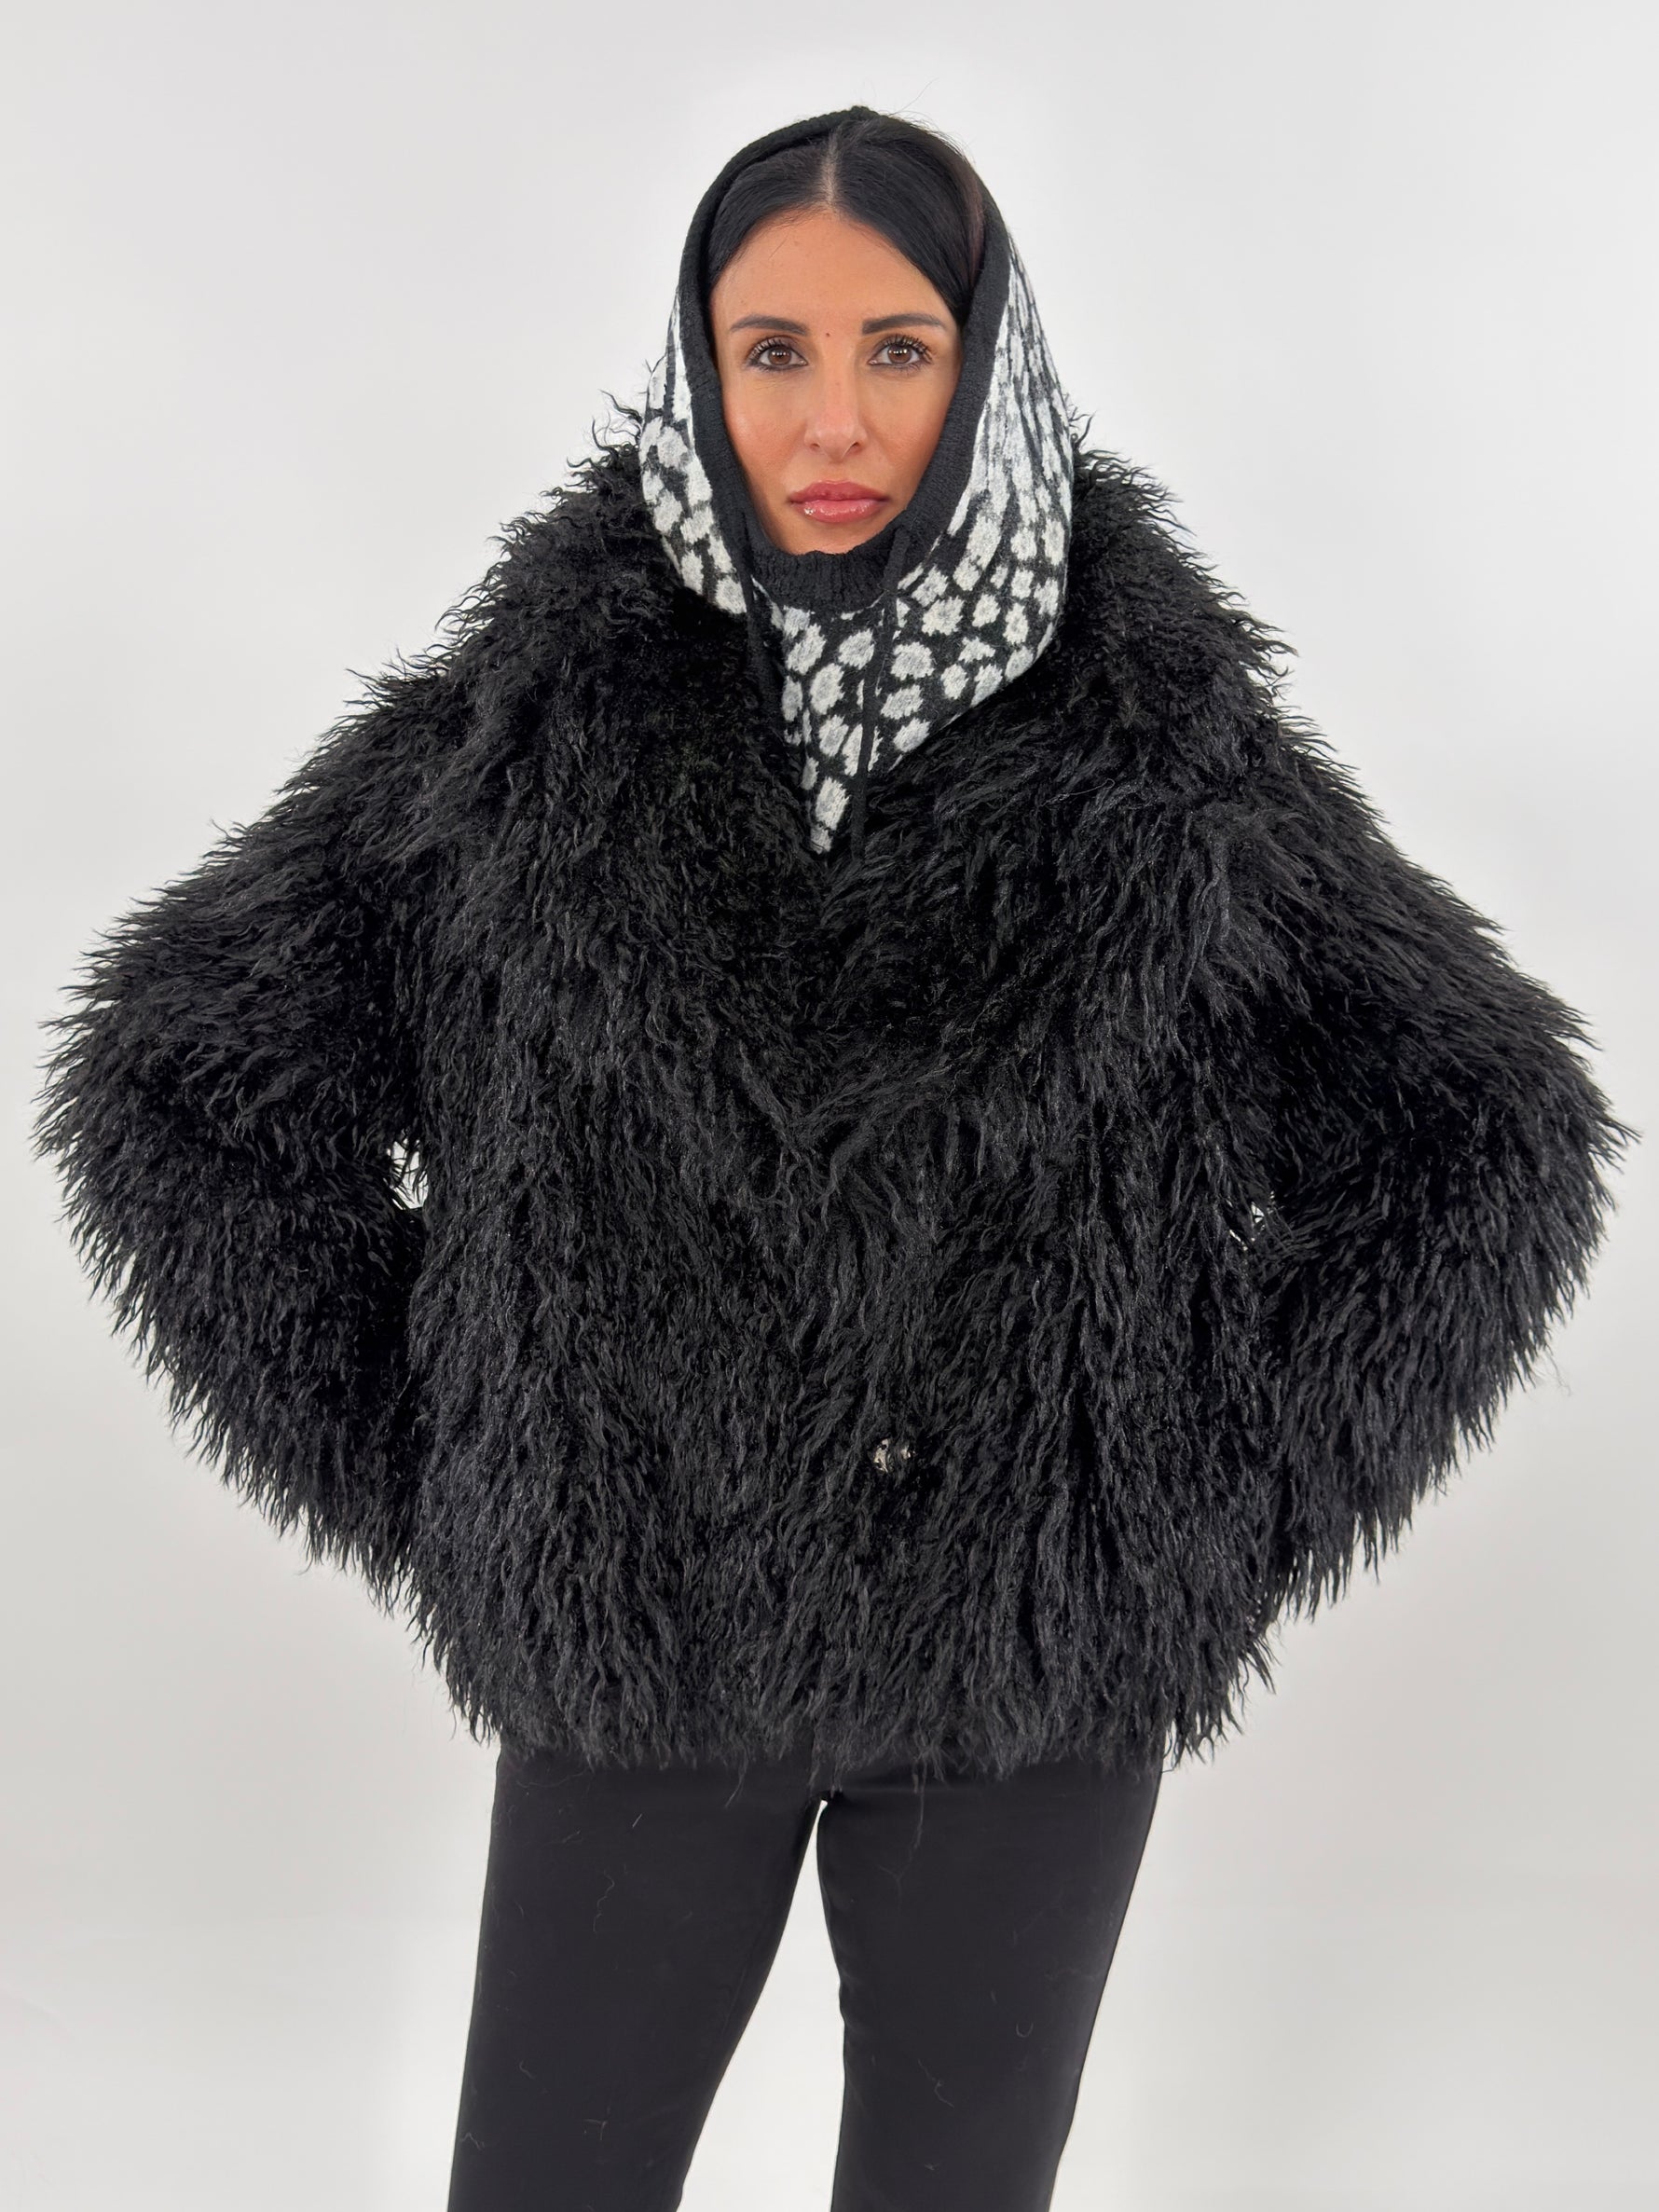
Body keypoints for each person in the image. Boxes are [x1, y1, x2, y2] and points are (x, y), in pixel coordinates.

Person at [33, 104, 1630, 2212]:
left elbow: (1492, 1133)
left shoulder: (1175, 760)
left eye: (898, 347)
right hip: (649, 1632)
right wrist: (464, 1462)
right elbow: (171, 1086)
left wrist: (1196, 1501)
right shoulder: (521, 734)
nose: (834, 419)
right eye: (770, 350)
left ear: (986, 356)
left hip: (1026, 1666)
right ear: (699, 366)